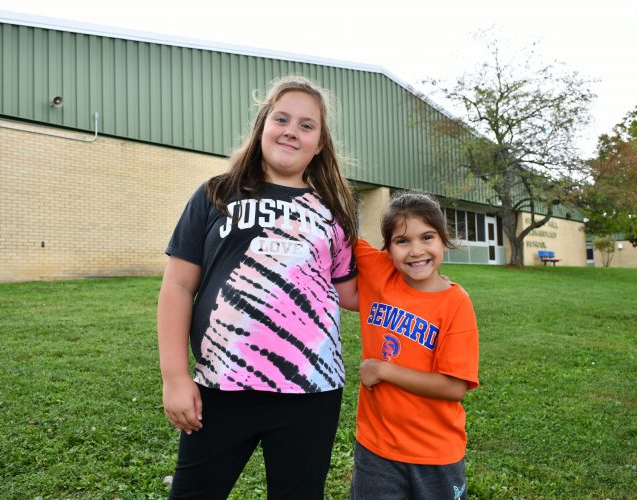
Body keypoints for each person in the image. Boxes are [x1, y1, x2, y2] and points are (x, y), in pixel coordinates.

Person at [157, 75, 358, 499]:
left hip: (311, 391)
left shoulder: (334, 210)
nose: (292, 130)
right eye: (281, 118)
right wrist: (175, 376)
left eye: (307, 125)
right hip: (221, 385)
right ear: (262, 125)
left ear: (320, 144)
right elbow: (177, 285)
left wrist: (422, 282)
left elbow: (349, 291)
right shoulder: (216, 194)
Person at [347, 191, 479, 500]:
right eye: (402, 241)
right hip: (376, 447)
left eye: (427, 237)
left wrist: (384, 370)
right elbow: (334, 229)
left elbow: (454, 387)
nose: (416, 250)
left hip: (435, 453)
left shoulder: (456, 304)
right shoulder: (380, 270)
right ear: (388, 249)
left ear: (443, 240)